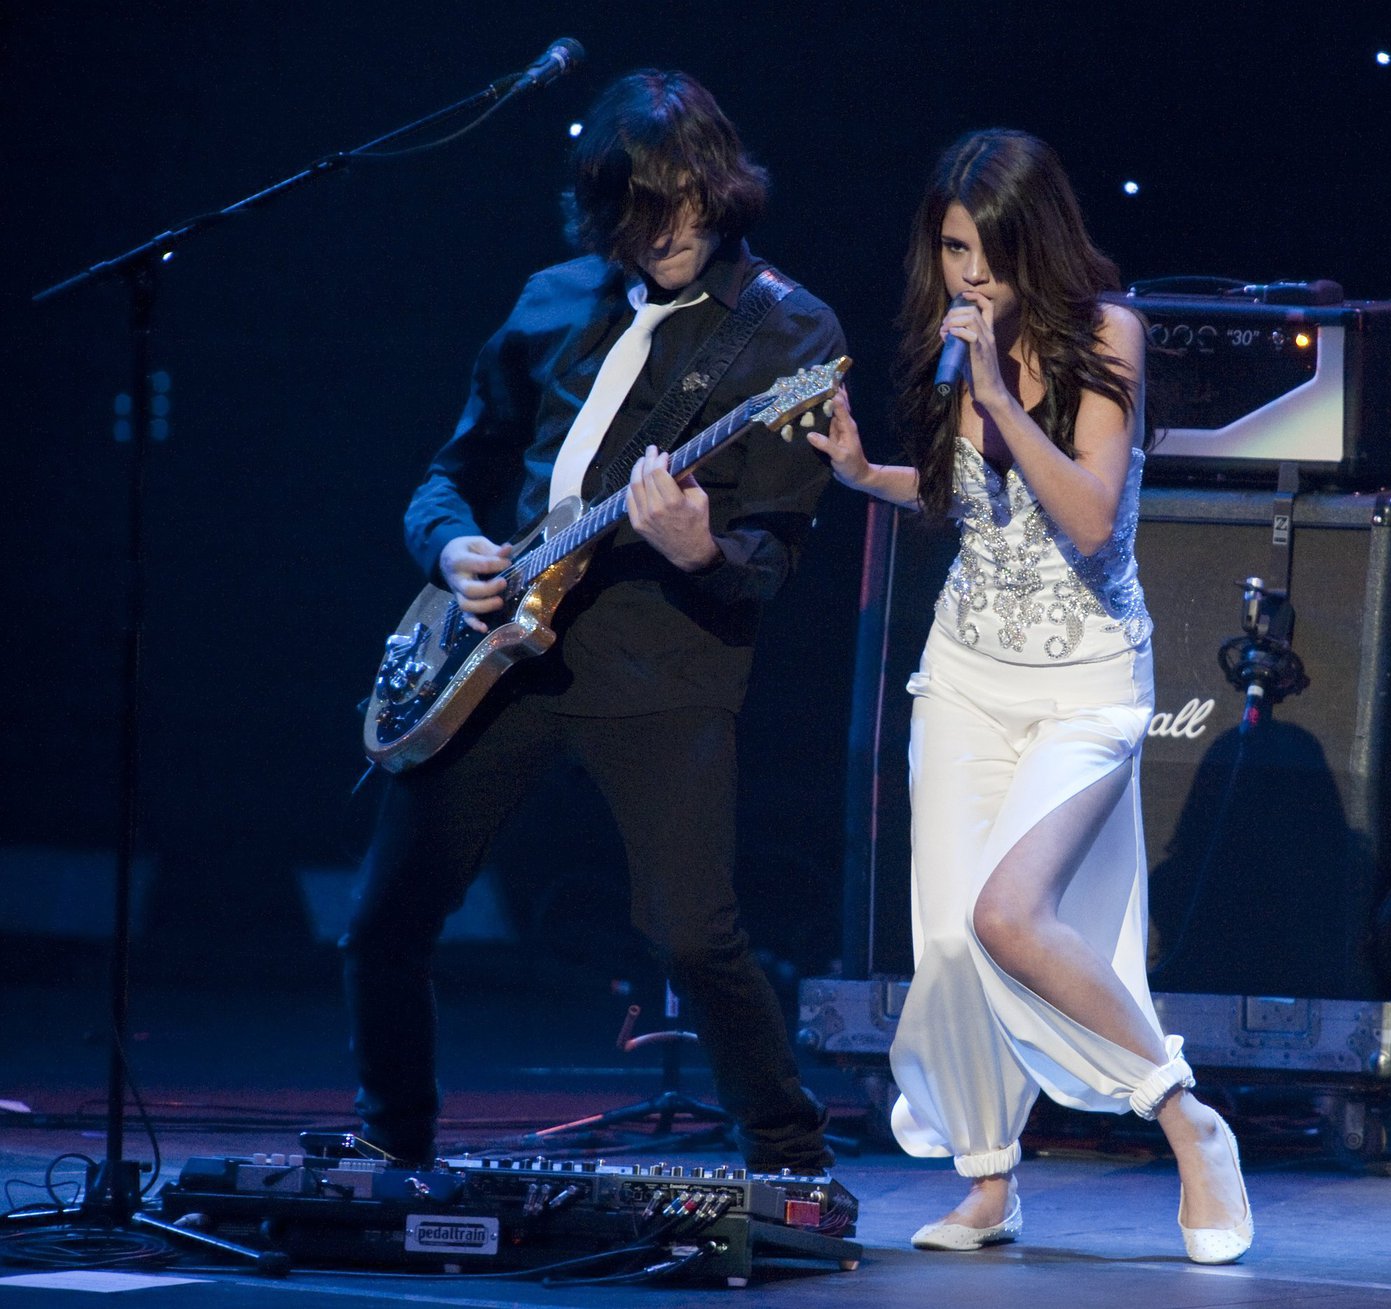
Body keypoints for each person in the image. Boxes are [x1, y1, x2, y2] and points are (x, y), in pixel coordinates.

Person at [340, 69, 840, 1175]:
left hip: (664, 664)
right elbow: (450, 473)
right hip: (495, 656)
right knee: (384, 921)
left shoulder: (789, 331)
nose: (665, 235)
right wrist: (451, 547)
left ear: (721, 190)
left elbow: (772, 557)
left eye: (684, 207)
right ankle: (392, 1144)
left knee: (693, 936)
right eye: (638, 214)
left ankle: (790, 1159)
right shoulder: (551, 299)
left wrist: (700, 549)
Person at [806, 129, 1252, 1262]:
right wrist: (863, 475)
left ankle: (1189, 1124)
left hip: (1085, 683)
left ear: (1036, 242)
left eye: (989, 253)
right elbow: (967, 504)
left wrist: (998, 396)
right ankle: (989, 1178)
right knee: (951, 939)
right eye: (954, 250)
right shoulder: (951, 341)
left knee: (1010, 917)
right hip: (966, 673)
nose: (970, 276)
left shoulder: (1107, 334)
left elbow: (1090, 518)